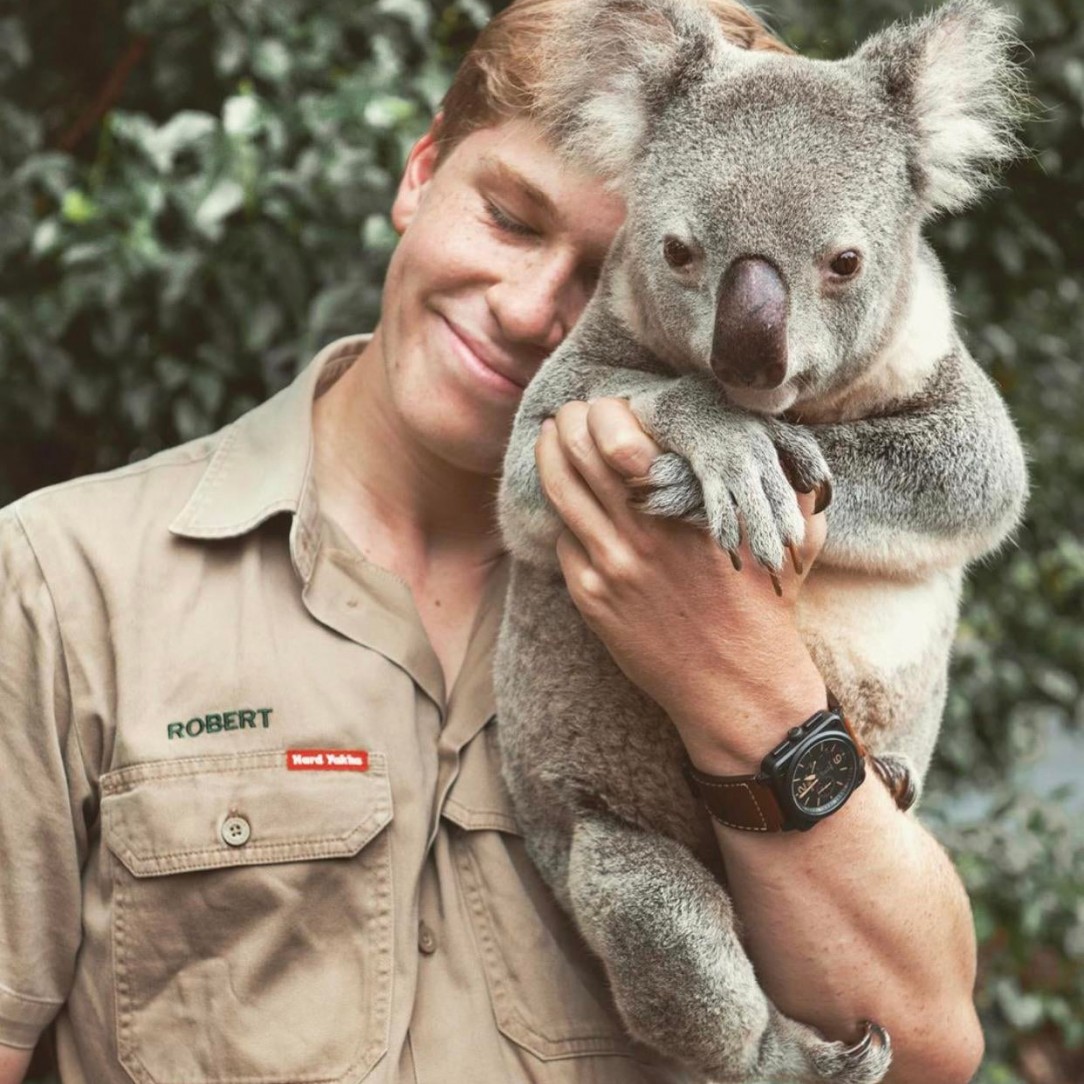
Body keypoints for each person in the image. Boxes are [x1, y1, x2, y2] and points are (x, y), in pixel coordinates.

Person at [0, 1, 985, 1081]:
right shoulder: (61, 579)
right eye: (511, 219)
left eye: (610, 271)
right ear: (420, 172)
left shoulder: (783, 566)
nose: (529, 310)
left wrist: (738, 679)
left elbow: (922, 1050)